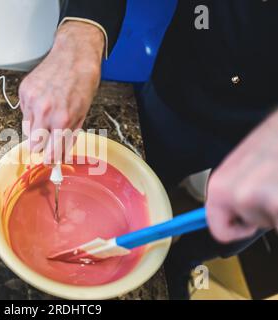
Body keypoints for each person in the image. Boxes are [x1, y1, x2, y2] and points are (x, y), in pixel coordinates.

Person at [18, 0, 278, 299]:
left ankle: (181, 262)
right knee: (149, 177)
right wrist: (82, 29)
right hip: (189, 78)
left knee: (233, 230)